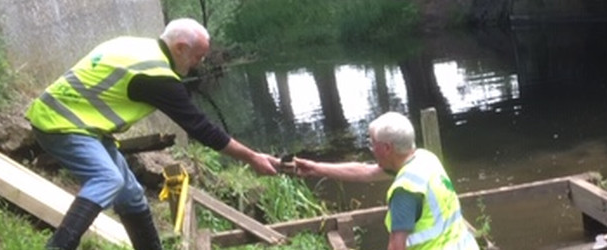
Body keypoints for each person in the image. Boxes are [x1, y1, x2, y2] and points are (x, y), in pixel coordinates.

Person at [26, 18, 281, 250]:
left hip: (82, 124)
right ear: (180, 47)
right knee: (109, 179)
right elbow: (202, 129)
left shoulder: (135, 46)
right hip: (60, 123)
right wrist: (252, 157)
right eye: (198, 56)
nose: (199, 64)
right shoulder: (157, 77)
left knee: (132, 196)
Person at [285, 112, 479, 250]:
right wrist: (315, 168)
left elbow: (396, 246)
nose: (371, 149)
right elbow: (365, 171)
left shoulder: (405, 191)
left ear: (386, 148)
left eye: (372, 143)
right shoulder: (425, 158)